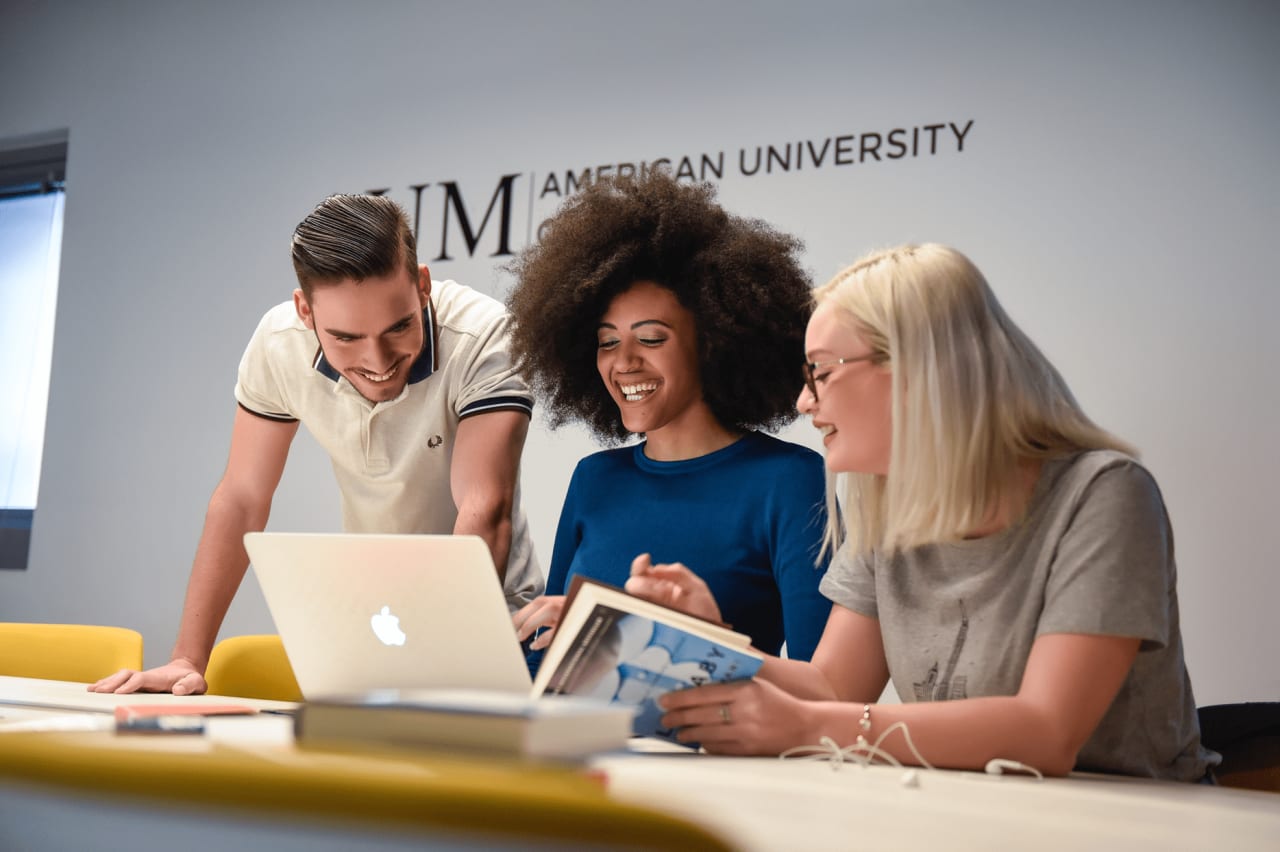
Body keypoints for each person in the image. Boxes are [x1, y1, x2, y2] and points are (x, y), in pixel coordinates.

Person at [628, 243, 1219, 781]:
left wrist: (812, 729)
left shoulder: (1104, 493)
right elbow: (831, 685)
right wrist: (708, 641)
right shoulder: (887, 511)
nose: (805, 400)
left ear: (916, 368)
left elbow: (1046, 733)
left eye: (821, 373)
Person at [91, 194, 543, 695]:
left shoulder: (483, 336)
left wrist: (433, 667)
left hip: (492, 631)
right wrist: (186, 659)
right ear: (304, 311)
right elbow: (241, 501)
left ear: (422, 285)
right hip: (377, 627)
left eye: (399, 327)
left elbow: (484, 508)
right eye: (347, 337)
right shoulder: (278, 343)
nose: (378, 360)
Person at [508, 171, 831, 672]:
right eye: (607, 341)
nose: (624, 361)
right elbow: (545, 659)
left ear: (713, 342)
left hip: (719, 749)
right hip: (579, 745)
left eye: (652, 339)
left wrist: (636, 636)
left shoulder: (789, 479)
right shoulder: (595, 479)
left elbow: (826, 685)